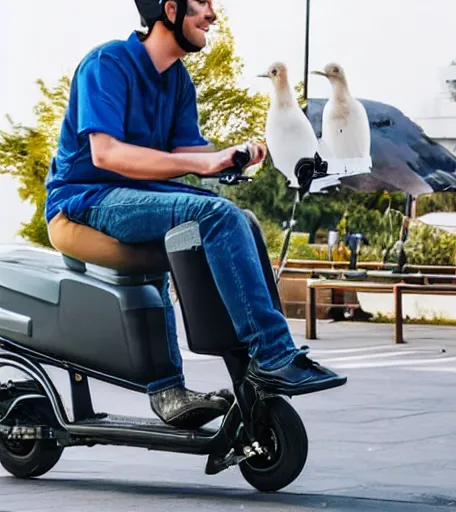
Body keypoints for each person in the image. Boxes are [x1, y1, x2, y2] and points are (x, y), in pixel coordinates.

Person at [44, 0, 347, 429]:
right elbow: (106, 153)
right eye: (201, 4)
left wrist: (235, 155)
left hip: (142, 199)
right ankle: (273, 355)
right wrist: (203, 164)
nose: (212, 14)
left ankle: (214, 380)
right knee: (216, 215)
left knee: (240, 220)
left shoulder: (178, 80)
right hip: (86, 200)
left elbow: (188, 152)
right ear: (169, 8)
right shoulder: (107, 63)